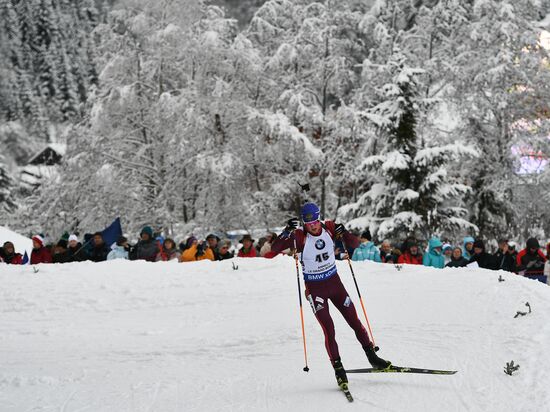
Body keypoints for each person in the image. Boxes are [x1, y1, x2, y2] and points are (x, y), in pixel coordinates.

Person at [271, 202, 391, 389]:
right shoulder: (299, 236)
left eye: (315, 219)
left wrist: (345, 232)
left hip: (335, 285)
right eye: (308, 221)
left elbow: (354, 244)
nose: (313, 224)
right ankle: (339, 370)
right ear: (304, 222)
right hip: (315, 289)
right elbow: (274, 249)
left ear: (318, 217)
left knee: (354, 321)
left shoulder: (329, 227)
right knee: (329, 329)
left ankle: (372, 357)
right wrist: (286, 232)